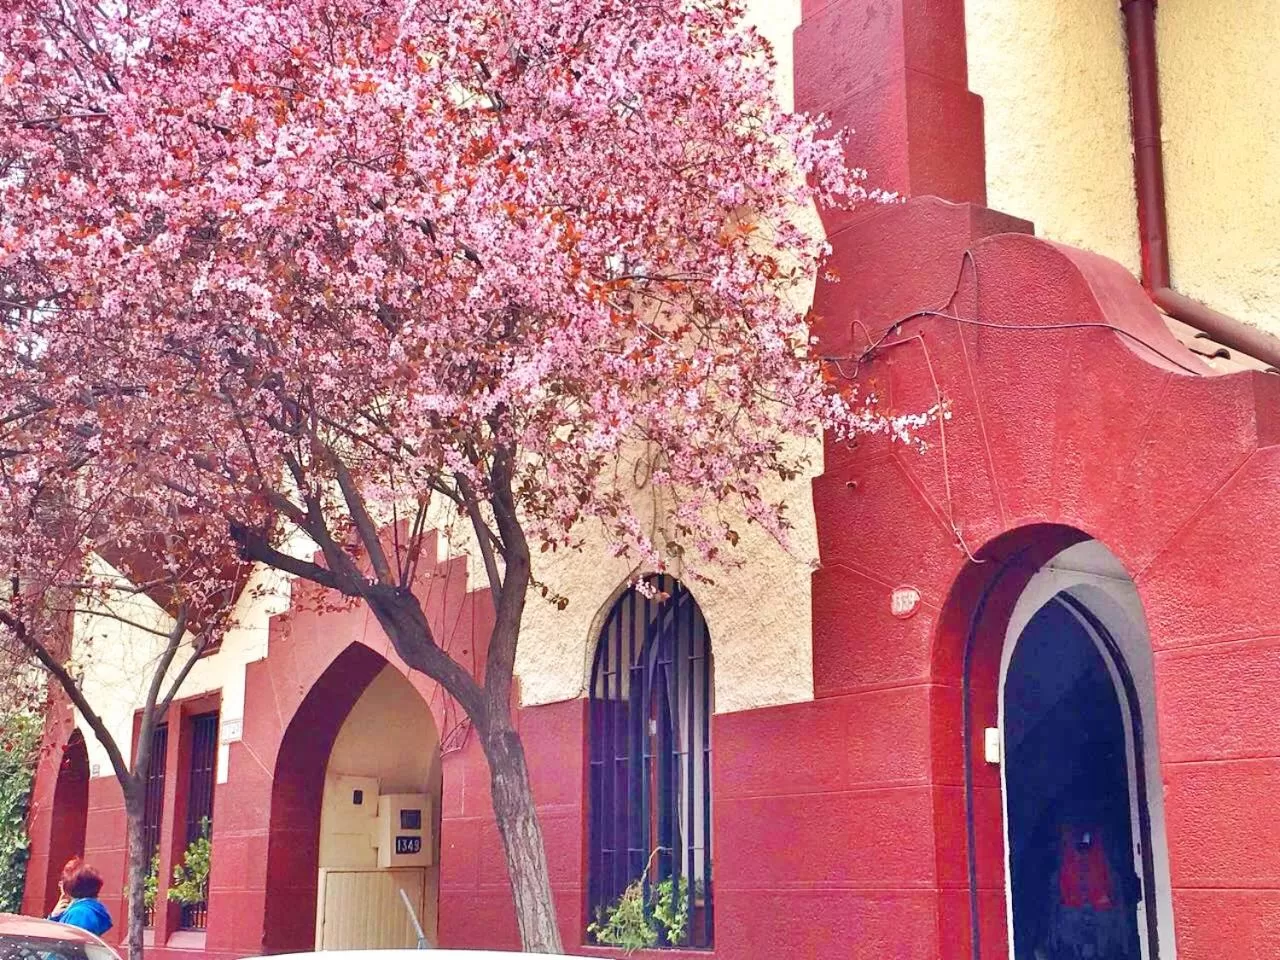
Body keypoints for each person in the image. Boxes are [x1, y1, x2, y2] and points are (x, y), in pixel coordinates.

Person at [48, 859, 113, 937]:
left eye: (62, 882)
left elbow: (67, 942)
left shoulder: (79, 914)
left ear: (70, 887)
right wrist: (54, 916)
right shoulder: (85, 910)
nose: (60, 885)